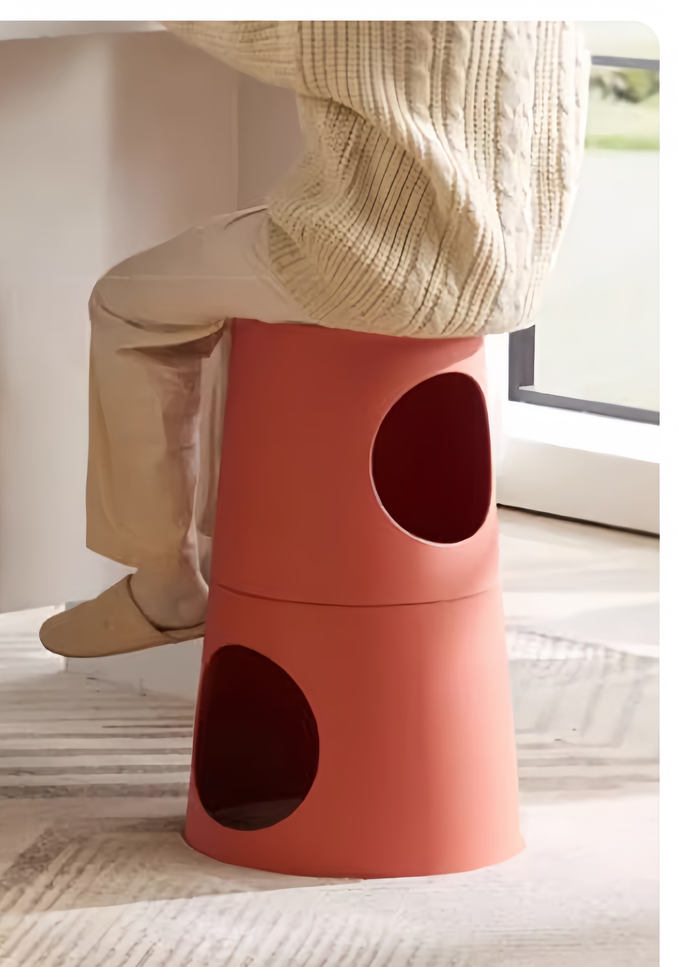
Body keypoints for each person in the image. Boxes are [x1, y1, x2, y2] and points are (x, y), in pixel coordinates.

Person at [40, 20, 590, 658]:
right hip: (511, 272)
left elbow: (251, 30)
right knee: (230, 294)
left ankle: (167, 584)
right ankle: (228, 553)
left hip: (374, 266)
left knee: (129, 302)